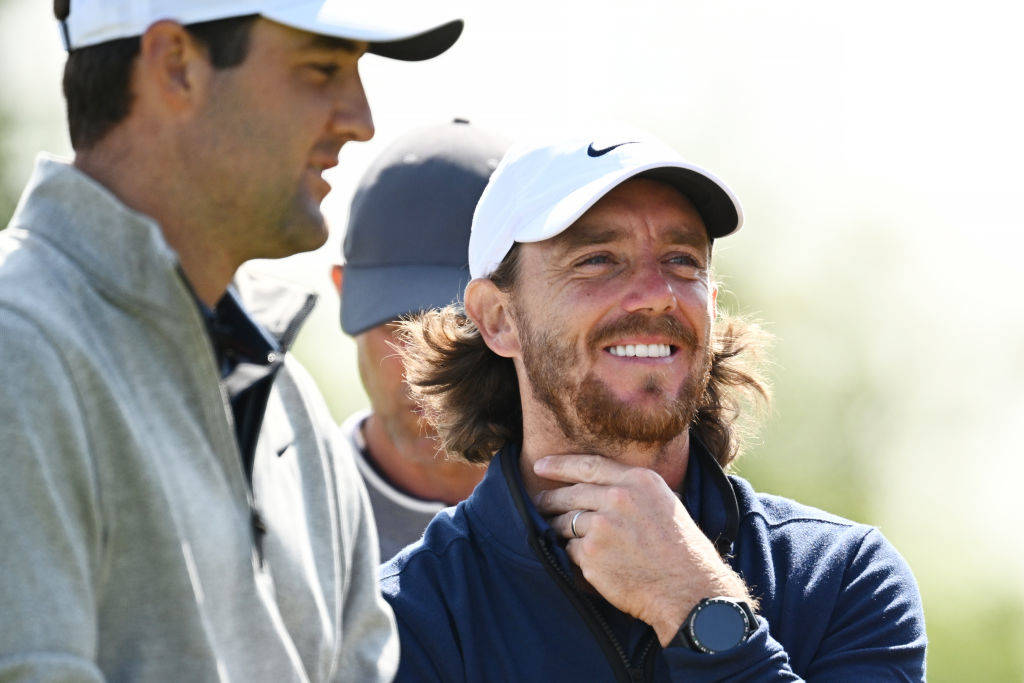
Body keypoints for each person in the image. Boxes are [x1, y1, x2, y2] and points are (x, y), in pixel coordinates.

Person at [0, 1, 463, 680]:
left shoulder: (289, 403)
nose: (360, 120)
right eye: (320, 68)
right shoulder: (20, 354)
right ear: (175, 66)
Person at [381, 133, 928, 681]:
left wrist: (694, 603)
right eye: (597, 260)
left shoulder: (842, 577)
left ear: (710, 309)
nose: (658, 292)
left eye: (682, 260)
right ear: (498, 318)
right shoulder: (406, 619)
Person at [330, 119, 508, 560]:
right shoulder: (283, 514)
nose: (422, 368)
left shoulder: (609, 517)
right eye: (396, 324)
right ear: (342, 293)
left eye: (462, 326)